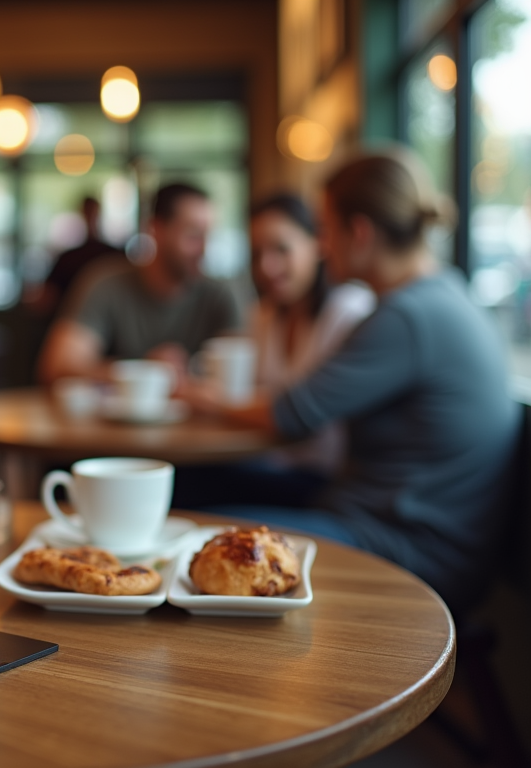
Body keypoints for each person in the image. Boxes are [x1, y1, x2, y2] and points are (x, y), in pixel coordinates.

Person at [182, 151, 520, 612]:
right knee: (194, 493)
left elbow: (294, 415)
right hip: (386, 522)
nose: (321, 246)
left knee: (192, 533)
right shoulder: (440, 294)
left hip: (411, 552)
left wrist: (203, 396)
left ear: (359, 233)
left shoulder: (408, 316)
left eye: (324, 229)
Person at [175, 194, 375, 509]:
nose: (267, 266)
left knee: (194, 496)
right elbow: (254, 397)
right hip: (274, 465)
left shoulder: (350, 312)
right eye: (256, 254)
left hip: (326, 480)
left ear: (318, 243)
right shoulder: (264, 315)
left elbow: (291, 413)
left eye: (281, 249)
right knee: (185, 479)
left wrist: (215, 402)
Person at [38, 183, 239, 384]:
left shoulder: (220, 294)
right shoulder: (106, 283)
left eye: (208, 235)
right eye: (193, 235)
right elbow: (57, 366)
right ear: (155, 230)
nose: (203, 249)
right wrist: (142, 371)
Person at [33, 197, 123, 317]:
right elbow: (46, 298)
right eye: (88, 211)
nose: (90, 216)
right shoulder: (67, 258)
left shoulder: (114, 256)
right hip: (71, 322)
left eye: (92, 211)